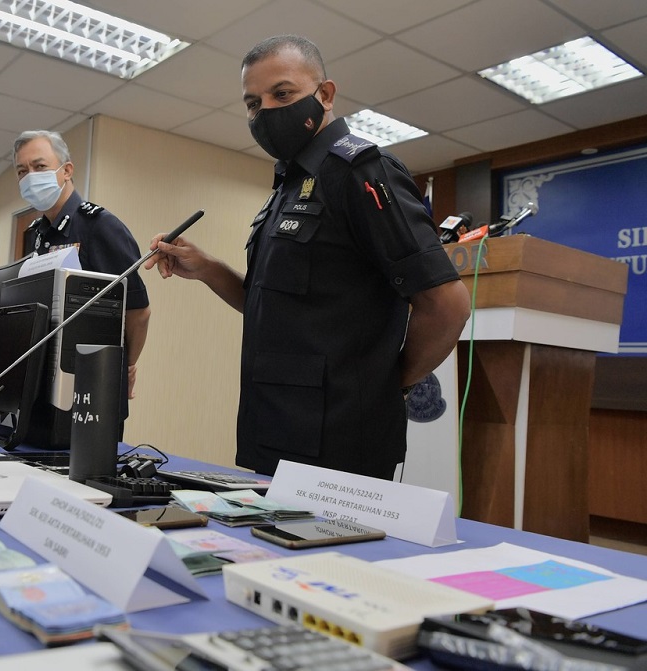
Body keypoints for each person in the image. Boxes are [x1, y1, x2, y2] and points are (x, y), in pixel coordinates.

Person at [146, 35, 471, 480]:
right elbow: (273, 305)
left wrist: (389, 384)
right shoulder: (289, 186)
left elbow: (447, 304)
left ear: (325, 94)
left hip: (338, 442)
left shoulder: (361, 173)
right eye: (253, 103)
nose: (266, 112)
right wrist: (206, 269)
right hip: (273, 425)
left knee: (338, 554)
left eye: (282, 94)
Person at [14, 129, 150, 399]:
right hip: (46, 378)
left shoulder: (99, 226)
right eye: (22, 171)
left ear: (66, 171)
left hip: (92, 384)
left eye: (39, 166)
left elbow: (138, 311)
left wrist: (126, 366)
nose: (30, 176)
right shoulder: (38, 234)